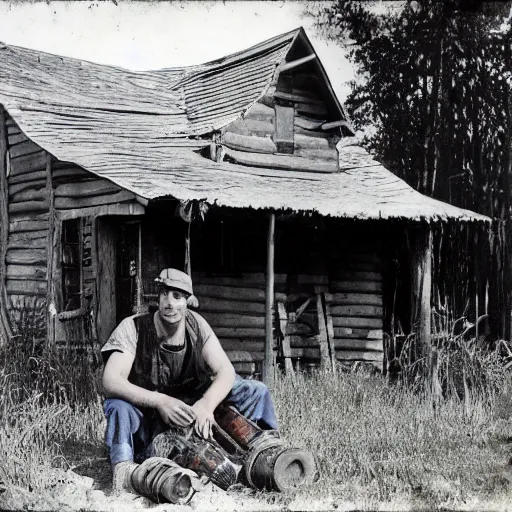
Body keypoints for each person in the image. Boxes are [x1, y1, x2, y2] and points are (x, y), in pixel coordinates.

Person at [101, 268, 278, 493]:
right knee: (118, 406)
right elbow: (110, 380)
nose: (169, 303)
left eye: (177, 296)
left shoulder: (196, 325)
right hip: (149, 415)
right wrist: (160, 401)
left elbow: (226, 370)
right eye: (164, 294)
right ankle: (125, 470)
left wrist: (206, 405)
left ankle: (266, 454)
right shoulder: (134, 327)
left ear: (188, 301)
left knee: (255, 390)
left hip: (192, 411)